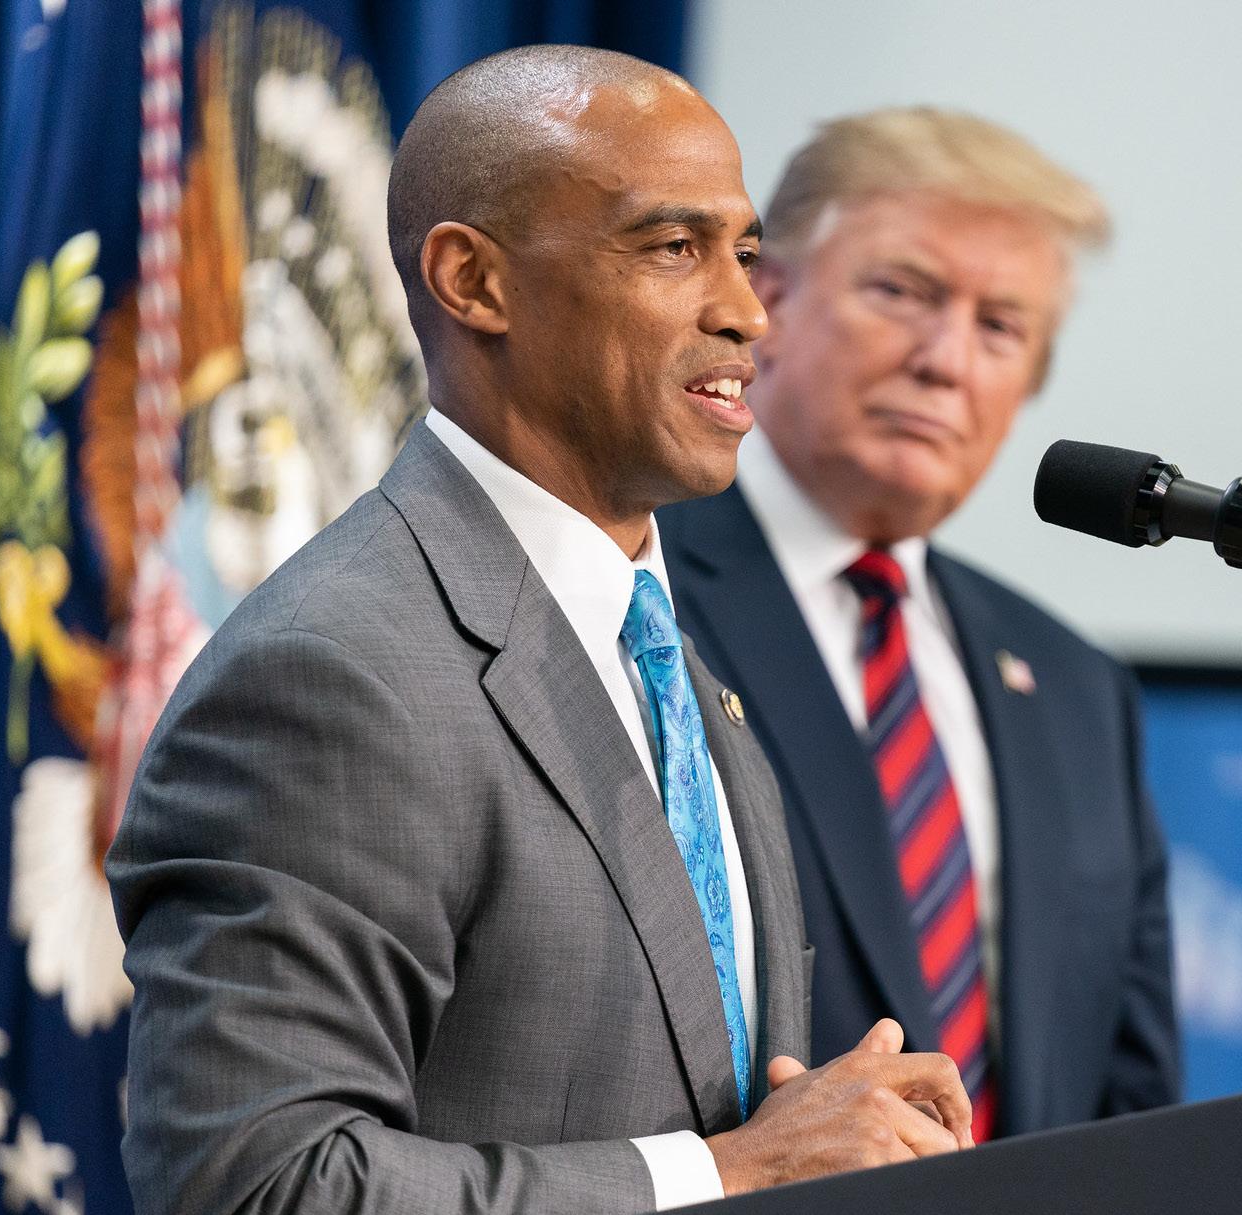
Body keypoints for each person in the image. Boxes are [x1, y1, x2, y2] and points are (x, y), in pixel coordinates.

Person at [106, 47, 972, 1215]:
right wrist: (729, 1171)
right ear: (474, 282)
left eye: (745, 252)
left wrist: (827, 1136)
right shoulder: (329, 674)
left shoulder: (668, 653)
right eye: (674, 248)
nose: (746, 311)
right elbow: (256, 1183)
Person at [657, 107, 1180, 1141]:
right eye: (901, 292)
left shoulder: (1079, 688)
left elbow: (1137, 1112)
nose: (947, 360)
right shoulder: (639, 588)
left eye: (1000, 327)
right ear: (767, 301)